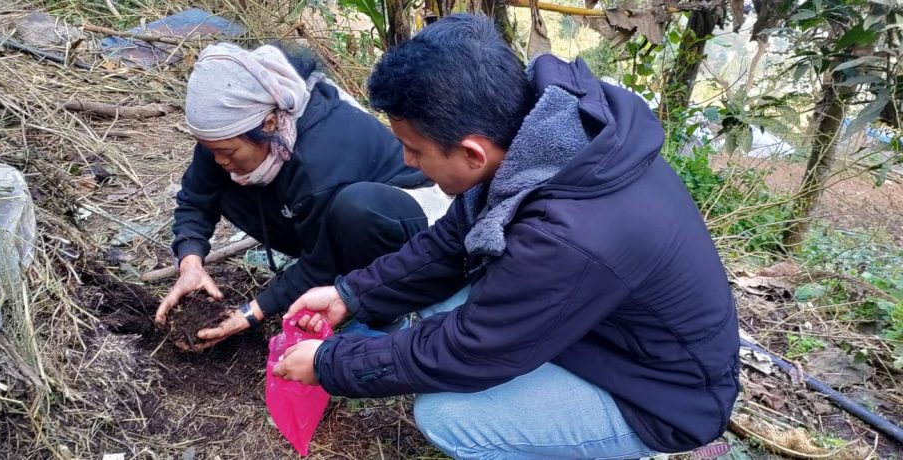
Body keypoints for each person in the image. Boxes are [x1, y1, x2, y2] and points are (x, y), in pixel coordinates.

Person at [272, 14, 740, 459]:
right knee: (440, 299)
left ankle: (603, 443)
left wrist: (330, 363)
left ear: (472, 153)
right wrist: (351, 295)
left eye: (414, 149)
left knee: (448, 417)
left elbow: (469, 349)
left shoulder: (566, 233)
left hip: (661, 396)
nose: (407, 161)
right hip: (600, 331)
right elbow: (449, 243)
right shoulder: (538, 132)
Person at [156, 42, 450, 351]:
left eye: (226, 151)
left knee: (357, 211)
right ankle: (334, 279)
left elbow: (322, 262)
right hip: (330, 213)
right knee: (226, 185)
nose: (220, 160)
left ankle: (385, 313)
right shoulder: (229, 133)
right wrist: (190, 262)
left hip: (409, 220)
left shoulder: (317, 160)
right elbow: (196, 197)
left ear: (269, 124)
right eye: (211, 149)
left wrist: (250, 313)